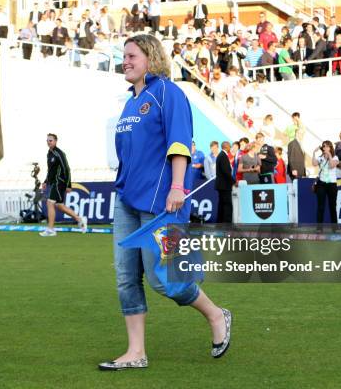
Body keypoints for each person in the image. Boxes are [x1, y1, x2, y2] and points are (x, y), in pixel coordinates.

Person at [99, 34, 232, 371]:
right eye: (124, 56)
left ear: (150, 57)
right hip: (127, 200)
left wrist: (176, 186)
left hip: (161, 203)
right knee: (126, 277)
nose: (125, 61)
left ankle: (216, 315)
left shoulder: (168, 93)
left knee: (163, 279)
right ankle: (136, 352)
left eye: (131, 55)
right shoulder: (130, 102)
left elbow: (179, 143)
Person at [40, 134, 87, 237]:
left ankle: (51, 229)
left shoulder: (59, 153)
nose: (49, 142)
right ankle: (80, 220)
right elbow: (50, 171)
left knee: (49, 202)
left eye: (51, 140)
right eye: (47, 140)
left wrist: (68, 185)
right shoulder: (49, 154)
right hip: (54, 183)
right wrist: (45, 181)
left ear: (56, 141)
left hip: (59, 182)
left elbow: (66, 168)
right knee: (59, 206)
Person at [312, 140, 339, 231]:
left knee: (332, 206)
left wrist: (329, 155)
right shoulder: (320, 158)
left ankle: (334, 228)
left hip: (332, 184)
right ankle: (319, 228)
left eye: (327, 146)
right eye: (324, 146)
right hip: (322, 184)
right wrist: (314, 153)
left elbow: (332, 165)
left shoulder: (335, 157)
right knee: (320, 206)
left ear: (331, 147)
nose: (325, 148)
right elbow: (314, 164)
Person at [216, 141, 234, 223]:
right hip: (225, 185)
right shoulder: (223, 156)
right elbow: (226, 171)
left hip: (222, 185)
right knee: (227, 204)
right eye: (230, 146)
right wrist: (233, 181)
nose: (230, 148)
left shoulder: (221, 155)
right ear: (226, 147)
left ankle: (220, 221)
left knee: (222, 204)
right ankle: (227, 222)